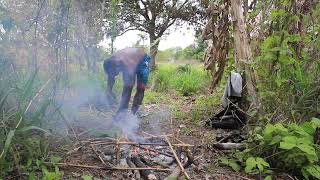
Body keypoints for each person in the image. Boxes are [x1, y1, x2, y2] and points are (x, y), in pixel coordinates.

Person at [103, 47, 151, 119]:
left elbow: (128, 86)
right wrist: (108, 90)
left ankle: (133, 114)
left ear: (117, 66)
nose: (114, 75)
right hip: (130, 61)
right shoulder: (111, 62)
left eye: (114, 73)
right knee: (127, 88)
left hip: (142, 61)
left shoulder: (126, 62)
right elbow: (111, 76)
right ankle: (121, 113)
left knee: (140, 88)